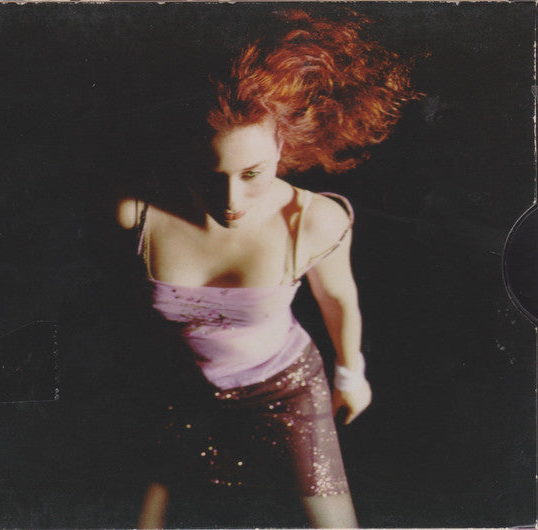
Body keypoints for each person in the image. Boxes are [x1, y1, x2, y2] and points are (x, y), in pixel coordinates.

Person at [118, 9, 417, 528]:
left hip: (286, 387)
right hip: (184, 388)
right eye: (208, 175)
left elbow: (337, 299)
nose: (230, 200)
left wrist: (351, 374)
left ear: (286, 142)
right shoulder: (138, 215)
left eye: (252, 173)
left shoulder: (314, 221)